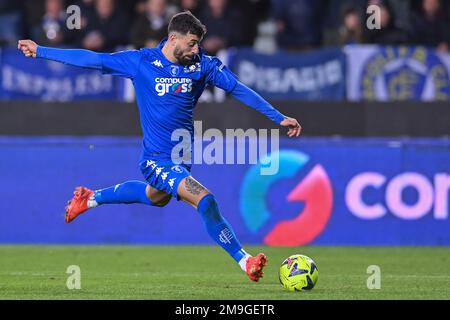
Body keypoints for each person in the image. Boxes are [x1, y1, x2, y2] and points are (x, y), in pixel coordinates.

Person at [17, 11, 301, 282]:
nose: (195, 50)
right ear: (174, 39)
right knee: (205, 199)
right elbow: (93, 59)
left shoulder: (203, 65)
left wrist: (278, 117)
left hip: (182, 157)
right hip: (157, 160)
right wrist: (41, 50)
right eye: (191, 44)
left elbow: (237, 88)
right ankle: (245, 260)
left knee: (156, 197)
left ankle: (90, 198)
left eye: (198, 44)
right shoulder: (142, 62)